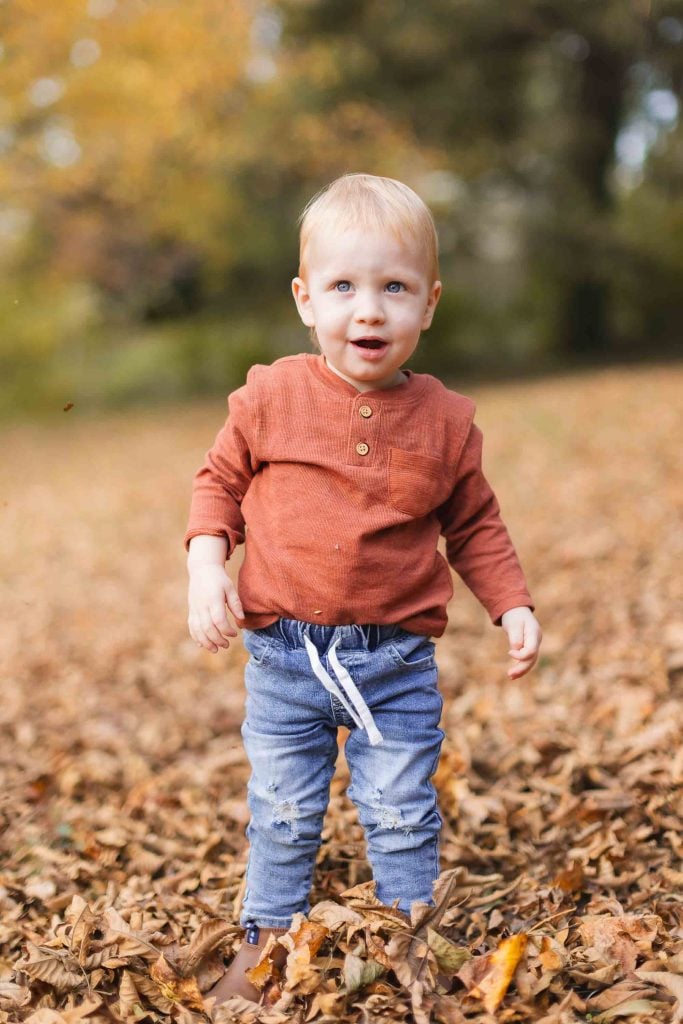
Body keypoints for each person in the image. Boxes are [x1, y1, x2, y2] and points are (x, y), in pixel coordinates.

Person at [184, 173, 542, 1004]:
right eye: (343, 287)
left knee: (401, 806)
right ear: (306, 300)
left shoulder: (447, 423)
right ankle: (265, 937)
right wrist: (207, 562)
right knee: (280, 806)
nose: (369, 310)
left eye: (394, 287)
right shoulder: (270, 396)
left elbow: (475, 525)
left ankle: (410, 932)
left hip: (394, 662)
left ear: (430, 304)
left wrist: (510, 601)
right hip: (284, 656)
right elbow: (217, 483)